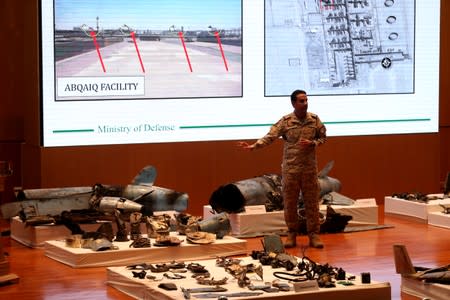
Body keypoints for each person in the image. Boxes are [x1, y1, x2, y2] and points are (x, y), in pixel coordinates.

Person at [238, 89, 326, 248]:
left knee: (312, 203)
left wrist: (314, 143)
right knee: (290, 202)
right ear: (293, 103)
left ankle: (313, 235)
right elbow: (270, 136)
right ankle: (291, 234)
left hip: (309, 170)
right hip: (290, 170)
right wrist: (254, 146)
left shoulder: (314, 120)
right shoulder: (286, 122)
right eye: (301, 101)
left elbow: (323, 137)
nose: (305, 104)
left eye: (306, 100)